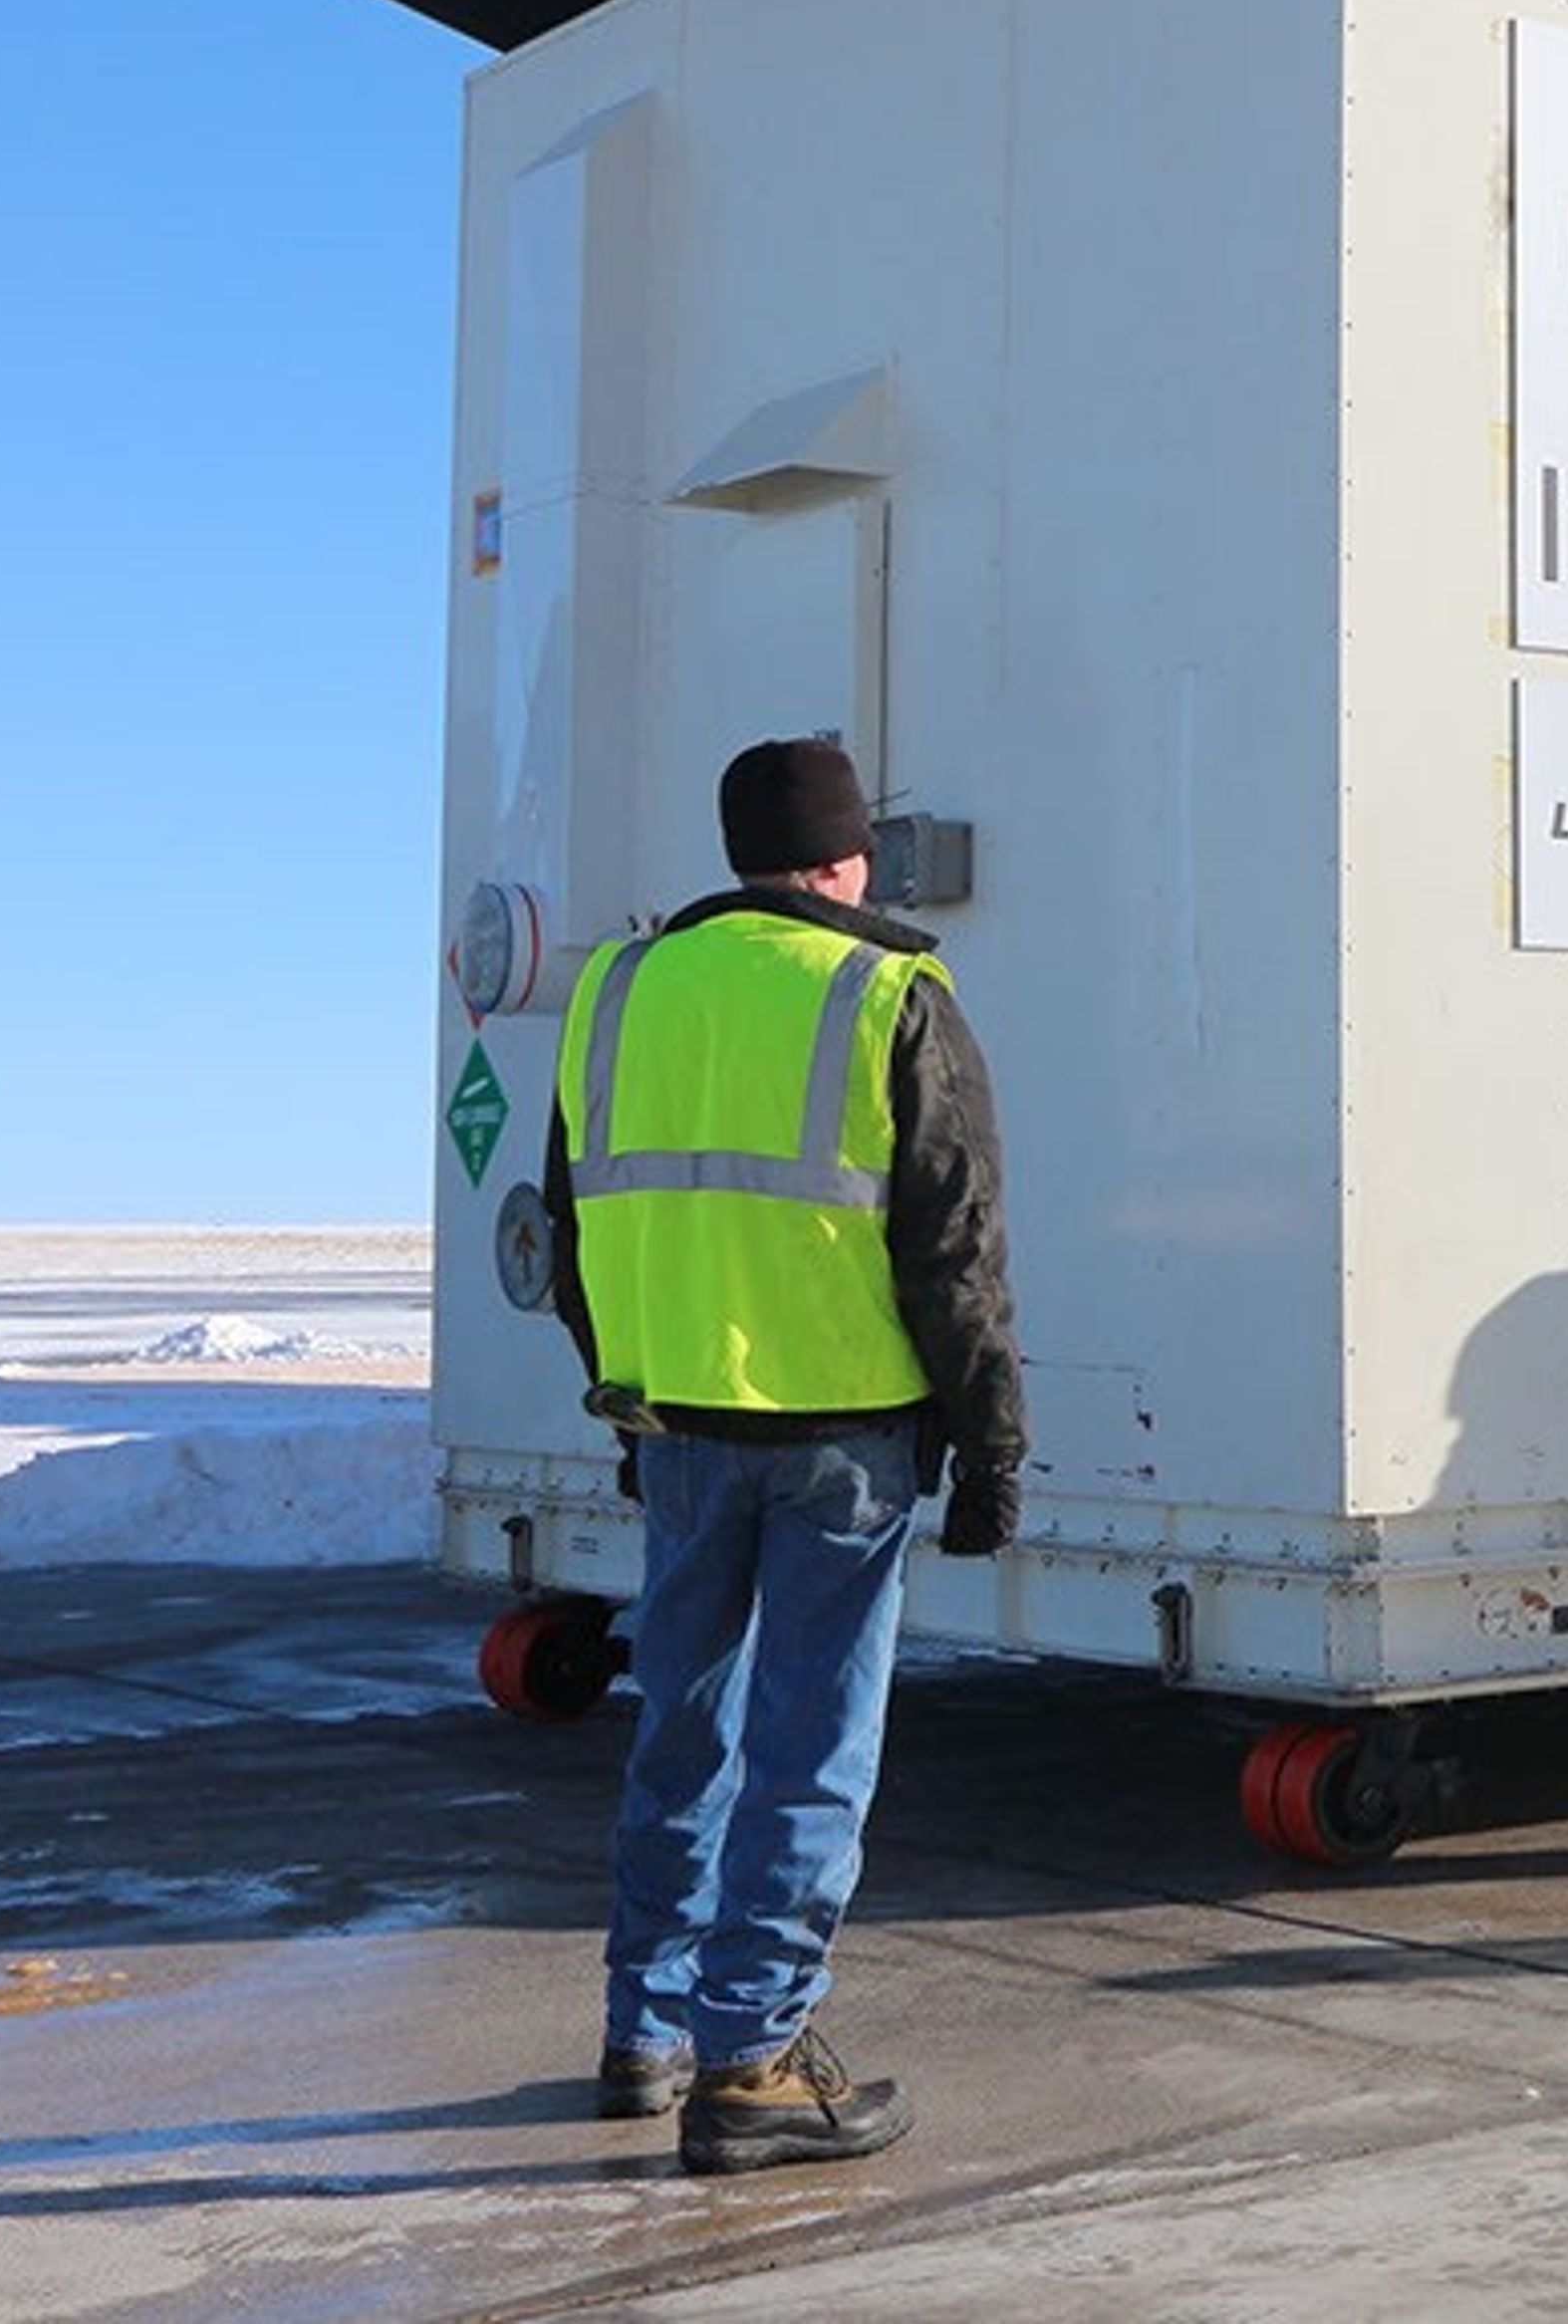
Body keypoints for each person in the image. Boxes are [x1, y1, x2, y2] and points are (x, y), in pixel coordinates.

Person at [546, 736, 1027, 2173]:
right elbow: (954, 1252)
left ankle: (647, 2033)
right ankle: (750, 2056)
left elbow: (576, 1229)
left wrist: (629, 1383)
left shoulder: (617, 990)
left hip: (679, 1422)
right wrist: (992, 1442)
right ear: (847, 857)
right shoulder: (888, 992)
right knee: (811, 1744)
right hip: (842, 1438)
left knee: (681, 1727)